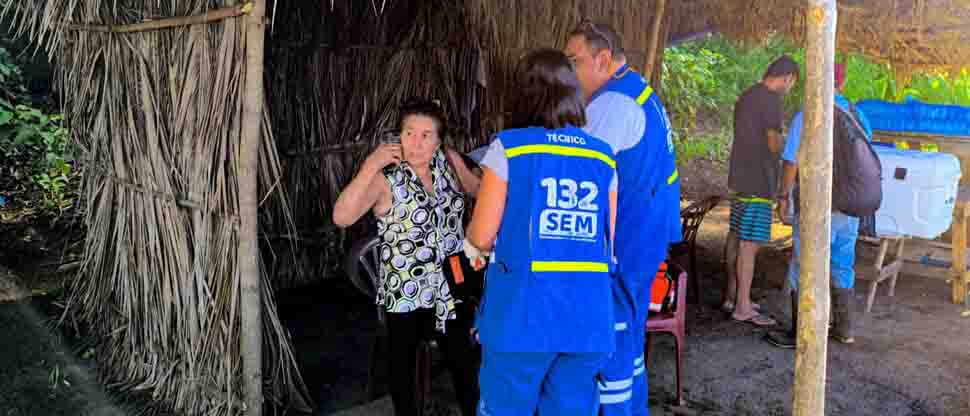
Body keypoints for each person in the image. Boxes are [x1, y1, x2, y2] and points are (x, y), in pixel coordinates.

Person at [466, 48, 618, 416]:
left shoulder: (509, 150)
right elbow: (606, 240)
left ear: (524, 93)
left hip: (522, 317)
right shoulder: (603, 157)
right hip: (587, 318)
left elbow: (482, 237)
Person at [332, 98, 481, 416]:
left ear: (439, 140)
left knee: (463, 360)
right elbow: (342, 217)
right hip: (405, 288)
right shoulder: (385, 179)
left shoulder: (449, 162)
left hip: (452, 279)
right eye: (409, 133)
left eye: (426, 135)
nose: (416, 142)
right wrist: (369, 165)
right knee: (403, 366)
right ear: (398, 137)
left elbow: (478, 190)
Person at [564, 21, 680, 416]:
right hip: (647, 229)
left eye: (574, 61)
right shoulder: (638, 90)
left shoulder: (611, 106)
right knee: (629, 332)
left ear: (602, 59)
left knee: (613, 331)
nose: (570, 72)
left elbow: (579, 172)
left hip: (628, 235)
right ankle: (633, 407)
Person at [766, 63, 872, 348]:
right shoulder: (857, 113)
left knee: (804, 265)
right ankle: (844, 328)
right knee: (841, 264)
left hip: (817, 204)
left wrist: (784, 196)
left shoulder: (809, 114)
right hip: (850, 207)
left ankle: (798, 332)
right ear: (843, 82)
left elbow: (791, 160)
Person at [723, 55, 800, 327]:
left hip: (740, 176)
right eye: (792, 83)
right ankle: (743, 307)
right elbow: (773, 144)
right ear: (788, 77)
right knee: (750, 244)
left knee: (736, 236)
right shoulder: (771, 100)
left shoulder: (747, 95)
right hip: (758, 180)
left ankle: (732, 296)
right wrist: (792, 147)